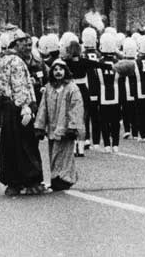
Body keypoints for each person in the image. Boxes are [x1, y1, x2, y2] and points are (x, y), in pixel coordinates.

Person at [0, 27, 44, 196]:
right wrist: (26, 107)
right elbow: (19, 85)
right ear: (15, 43)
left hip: (7, 108)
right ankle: (31, 180)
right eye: (22, 42)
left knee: (9, 145)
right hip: (18, 108)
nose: (26, 45)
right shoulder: (16, 61)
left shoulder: (3, 61)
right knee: (26, 144)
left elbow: (1, 88)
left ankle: (13, 181)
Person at [34, 59, 84, 191]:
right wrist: (39, 126)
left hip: (66, 128)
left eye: (60, 69)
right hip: (52, 128)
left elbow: (76, 108)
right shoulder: (49, 88)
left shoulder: (72, 88)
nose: (58, 72)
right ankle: (55, 177)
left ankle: (65, 178)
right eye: (55, 70)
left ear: (65, 71)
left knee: (66, 155)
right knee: (54, 154)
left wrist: (73, 127)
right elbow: (43, 108)